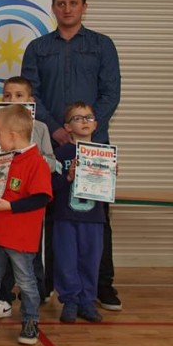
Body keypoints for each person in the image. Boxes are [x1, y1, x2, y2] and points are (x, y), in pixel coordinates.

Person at [21, 0, 123, 311]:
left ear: (84, 7)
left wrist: (85, 128)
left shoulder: (102, 45)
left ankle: (102, 285)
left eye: (73, 3)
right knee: (52, 213)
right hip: (52, 144)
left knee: (97, 216)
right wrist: (55, 129)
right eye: (61, 3)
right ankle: (50, 282)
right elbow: (31, 94)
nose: (67, 8)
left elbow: (111, 93)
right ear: (53, 7)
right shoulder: (37, 48)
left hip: (93, 145)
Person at [0, 105, 52, 346]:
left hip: (20, 236)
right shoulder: (3, 160)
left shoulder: (36, 162)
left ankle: (30, 320)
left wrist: (11, 207)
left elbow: (41, 198)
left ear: (13, 135)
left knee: (26, 281)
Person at [0, 76, 56, 319]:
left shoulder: (40, 128)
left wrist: (31, 158)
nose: (12, 100)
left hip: (29, 205)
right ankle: (3, 297)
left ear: (31, 100)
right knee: (3, 253)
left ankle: (36, 293)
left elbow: (52, 162)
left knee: (30, 252)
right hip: (4, 202)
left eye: (19, 95)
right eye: (7, 95)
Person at [53, 102, 107, 323]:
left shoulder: (104, 154)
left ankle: (87, 301)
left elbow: (106, 189)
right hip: (65, 216)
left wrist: (110, 176)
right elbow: (51, 186)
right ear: (67, 127)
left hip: (93, 217)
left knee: (90, 260)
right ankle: (70, 300)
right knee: (66, 260)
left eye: (88, 117)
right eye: (78, 118)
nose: (84, 121)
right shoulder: (60, 154)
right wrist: (68, 177)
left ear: (95, 124)